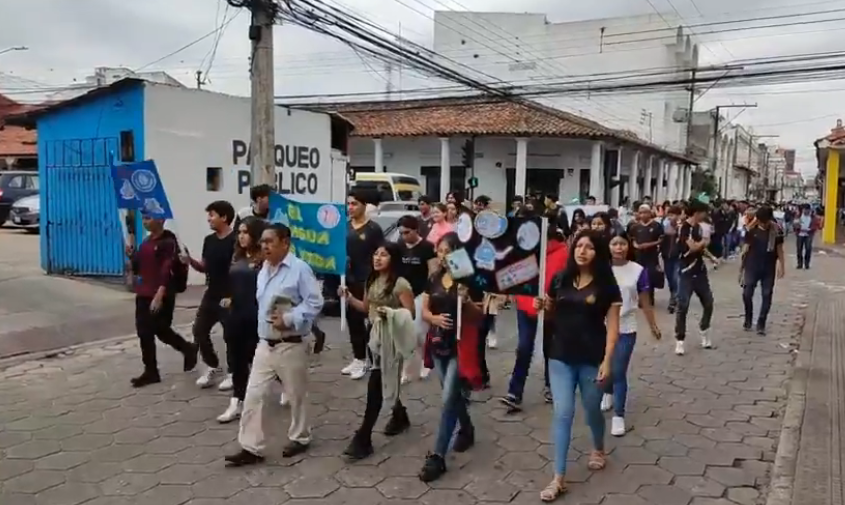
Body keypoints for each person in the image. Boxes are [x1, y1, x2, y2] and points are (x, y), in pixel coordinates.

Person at [224, 223, 324, 467]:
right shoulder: (264, 269)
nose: (264, 246)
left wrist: (289, 319)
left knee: (296, 395)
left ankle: (300, 437)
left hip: (291, 344)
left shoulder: (299, 269)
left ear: (285, 243)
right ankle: (250, 446)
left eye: (270, 241)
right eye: (263, 242)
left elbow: (315, 302)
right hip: (264, 345)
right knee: (253, 395)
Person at [536, 230, 621, 502]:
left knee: (591, 408)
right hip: (559, 355)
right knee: (563, 412)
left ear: (598, 253)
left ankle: (598, 447)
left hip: (591, 357)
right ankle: (558, 477)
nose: (582, 250)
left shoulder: (607, 285)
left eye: (589, 247)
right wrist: (543, 305)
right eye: (579, 245)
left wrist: (608, 361)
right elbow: (550, 312)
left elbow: (613, 329)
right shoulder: (560, 278)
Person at [341, 242, 417, 460]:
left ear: (393, 259)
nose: (377, 258)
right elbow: (366, 309)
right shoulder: (372, 280)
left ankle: (363, 437)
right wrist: (348, 298)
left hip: (392, 341)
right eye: (376, 254)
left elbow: (409, 314)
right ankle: (400, 415)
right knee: (386, 380)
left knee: (376, 384)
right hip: (373, 339)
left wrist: (390, 314)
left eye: (383, 255)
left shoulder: (400, 284)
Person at [418, 233, 483, 483]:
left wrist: (466, 303)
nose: (442, 255)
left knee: (447, 400)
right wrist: (432, 318)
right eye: (439, 250)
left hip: (460, 346)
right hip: (437, 344)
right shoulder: (434, 277)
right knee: (452, 394)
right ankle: (466, 428)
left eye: (447, 250)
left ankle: (438, 456)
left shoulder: (468, 280)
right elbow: (424, 309)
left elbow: (480, 316)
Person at [500, 211, 568, 412]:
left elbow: (565, 282)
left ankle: (551, 386)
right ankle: (515, 392)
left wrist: (554, 301)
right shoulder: (522, 250)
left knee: (550, 349)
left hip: (551, 310)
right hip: (526, 308)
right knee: (523, 348)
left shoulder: (564, 253)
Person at [126, 212, 198, 387]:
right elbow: (138, 266)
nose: (145, 222)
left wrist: (160, 293)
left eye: (148, 218)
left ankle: (187, 349)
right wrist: (131, 254)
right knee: (145, 332)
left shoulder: (169, 243)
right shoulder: (146, 243)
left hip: (161, 294)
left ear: (161, 220)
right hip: (143, 293)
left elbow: (167, 268)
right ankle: (151, 371)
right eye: (143, 218)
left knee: (161, 329)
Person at [601, 230, 661, 436]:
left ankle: (619, 415)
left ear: (629, 246)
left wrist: (652, 325)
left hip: (626, 326)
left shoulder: (638, 271)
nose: (619, 248)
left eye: (622, 244)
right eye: (614, 244)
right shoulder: (601, 269)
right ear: (608, 247)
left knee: (619, 369)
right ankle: (607, 392)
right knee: (604, 364)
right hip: (601, 325)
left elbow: (645, 300)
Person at [217, 217, 267, 423]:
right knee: (237, 362)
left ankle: (288, 388)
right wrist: (228, 298)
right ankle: (237, 401)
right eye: (239, 232)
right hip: (236, 316)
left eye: (245, 232)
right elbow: (233, 283)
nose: (241, 235)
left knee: (261, 362)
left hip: (257, 318)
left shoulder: (264, 258)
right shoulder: (237, 256)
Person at [184, 201, 238, 390]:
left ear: (224, 217)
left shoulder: (236, 240)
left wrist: (234, 295)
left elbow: (239, 270)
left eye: (212, 215)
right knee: (199, 330)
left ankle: (234, 372)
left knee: (231, 336)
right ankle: (213, 366)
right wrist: (189, 260)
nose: (209, 218)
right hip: (212, 294)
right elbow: (205, 266)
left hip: (230, 295)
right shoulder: (209, 240)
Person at [343, 189, 385, 380]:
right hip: (349, 281)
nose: (350, 207)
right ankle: (358, 358)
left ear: (364, 206)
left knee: (370, 323)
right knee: (353, 322)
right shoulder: (343, 227)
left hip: (369, 281)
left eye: (354, 204)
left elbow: (382, 255)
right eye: (349, 204)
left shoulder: (373, 229)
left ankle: (372, 361)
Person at [396, 215, 437, 383]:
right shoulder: (398, 246)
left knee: (419, 332)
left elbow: (433, 271)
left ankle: (425, 361)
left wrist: (430, 294)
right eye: (401, 233)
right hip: (402, 293)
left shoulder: (427, 247)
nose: (404, 236)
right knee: (404, 332)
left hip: (421, 293)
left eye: (407, 232)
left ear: (416, 230)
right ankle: (405, 369)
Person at [674, 199, 715, 355]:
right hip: (686, 272)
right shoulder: (684, 228)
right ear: (698, 213)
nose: (706, 215)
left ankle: (704, 330)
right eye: (704, 212)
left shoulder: (697, 227)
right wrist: (704, 243)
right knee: (682, 305)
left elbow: (699, 247)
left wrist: (711, 257)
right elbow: (692, 247)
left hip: (700, 271)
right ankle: (680, 339)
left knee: (709, 302)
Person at [742, 206, 785, 335]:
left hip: (768, 267)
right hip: (752, 266)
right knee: (747, 293)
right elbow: (745, 249)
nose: (765, 224)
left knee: (767, 295)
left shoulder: (777, 231)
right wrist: (741, 269)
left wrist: (782, 266)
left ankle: (761, 323)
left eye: (767, 221)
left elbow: (779, 250)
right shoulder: (751, 230)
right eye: (763, 221)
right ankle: (748, 317)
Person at [628, 204, 664, 306]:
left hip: (652, 256)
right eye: (641, 213)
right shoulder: (635, 227)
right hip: (639, 256)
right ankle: (641, 297)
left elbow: (661, 240)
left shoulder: (657, 226)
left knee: (650, 276)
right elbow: (632, 240)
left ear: (650, 213)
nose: (643, 215)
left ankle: (649, 297)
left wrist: (649, 245)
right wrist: (637, 246)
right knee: (639, 276)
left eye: (645, 212)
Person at [661, 206, 681, 313]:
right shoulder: (664, 224)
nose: (671, 217)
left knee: (675, 277)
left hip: (678, 256)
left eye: (674, 215)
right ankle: (674, 294)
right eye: (670, 214)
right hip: (666, 256)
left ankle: (674, 300)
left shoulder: (682, 226)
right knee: (669, 278)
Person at [794, 204, 819, 269]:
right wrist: (797, 227)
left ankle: (807, 264)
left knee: (808, 249)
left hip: (809, 235)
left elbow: (816, 225)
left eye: (807, 210)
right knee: (799, 249)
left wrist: (811, 229)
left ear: (809, 210)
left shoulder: (813, 217)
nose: (806, 212)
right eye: (804, 210)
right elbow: (794, 224)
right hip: (800, 234)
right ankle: (800, 264)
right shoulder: (798, 216)